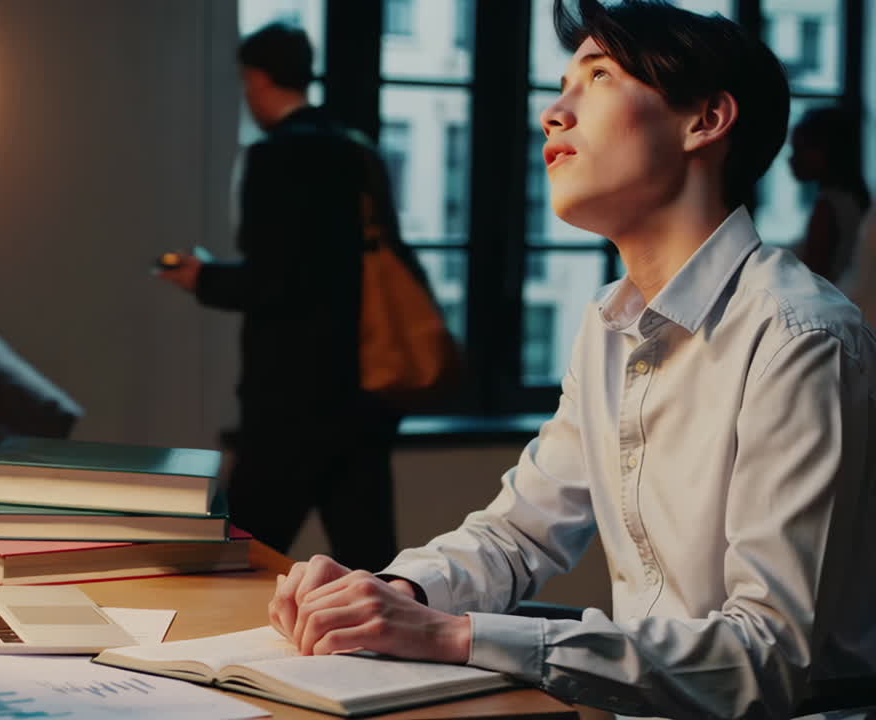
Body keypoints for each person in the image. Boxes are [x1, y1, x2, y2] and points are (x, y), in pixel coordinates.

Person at [267, 1, 876, 718]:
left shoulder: (800, 335)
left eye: (600, 76)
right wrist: (397, 596)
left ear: (705, 120)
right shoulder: (609, 321)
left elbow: (767, 653)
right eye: (562, 84)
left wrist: (459, 635)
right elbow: (520, 531)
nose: (553, 112)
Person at [157, 23, 428, 572]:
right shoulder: (358, 152)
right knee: (370, 569)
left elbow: (274, 282)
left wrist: (203, 277)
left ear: (256, 79)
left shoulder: (274, 158)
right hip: (364, 392)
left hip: (289, 399)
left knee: (233, 561)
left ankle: (212, 658)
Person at [788, 106, 870, 283]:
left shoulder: (828, 206)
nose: (792, 159)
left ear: (830, 150)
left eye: (801, 148)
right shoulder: (854, 197)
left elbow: (815, 278)